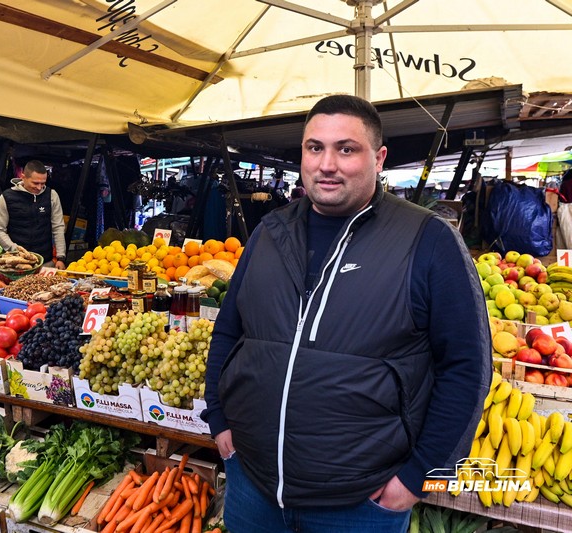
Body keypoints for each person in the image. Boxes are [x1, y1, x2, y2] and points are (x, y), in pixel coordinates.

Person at [202, 94, 491, 533]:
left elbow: (467, 368)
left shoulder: (427, 241)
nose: (327, 164)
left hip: (360, 503)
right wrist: (219, 420)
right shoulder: (269, 232)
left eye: (346, 149)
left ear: (379, 158)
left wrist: (417, 478)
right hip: (253, 485)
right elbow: (228, 332)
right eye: (315, 148)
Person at [0, 160, 66, 269]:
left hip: (46, 261)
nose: (39, 187)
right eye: (35, 183)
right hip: (16, 263)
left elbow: (58, 227)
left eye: (43, 183)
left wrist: (61, 257)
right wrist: (17, 251)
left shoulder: (51, 195)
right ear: (23, 177)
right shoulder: (7, 197)